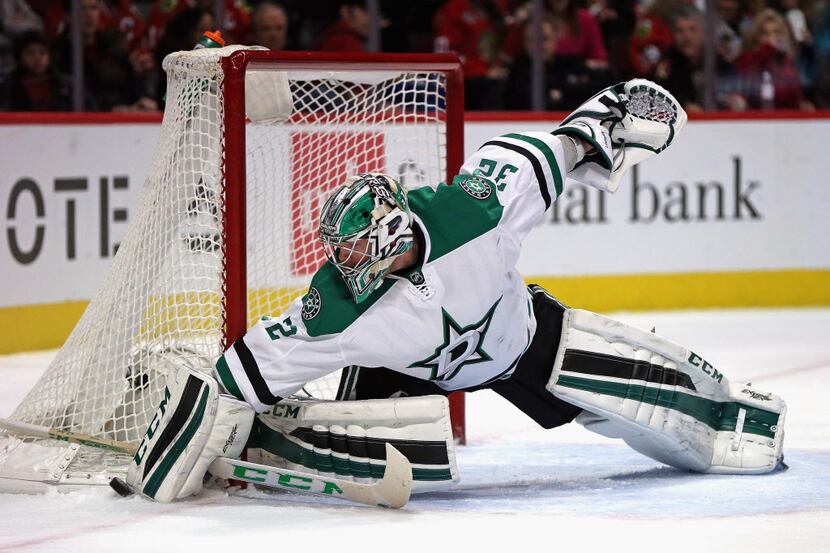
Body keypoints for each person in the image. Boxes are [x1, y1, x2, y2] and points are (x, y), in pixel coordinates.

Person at [125, 80, 787, 503]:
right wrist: (192, 434)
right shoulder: (337, 307)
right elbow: (242, 369)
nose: (341, 262)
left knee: (673, 415)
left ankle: (728, 412)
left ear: (385, 232)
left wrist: (602, 128)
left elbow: (559, 147)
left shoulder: (477, 209)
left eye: (353, 247)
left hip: (521, 343)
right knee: (335, 424)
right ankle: (287, 436)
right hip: (401, 375)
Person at [5, 30, 72, 110]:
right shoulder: (8, 86)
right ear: (19, 58)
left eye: (42, 52)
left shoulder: (67, 86)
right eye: (30, 53)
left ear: (50, 56)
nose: (37, 58)